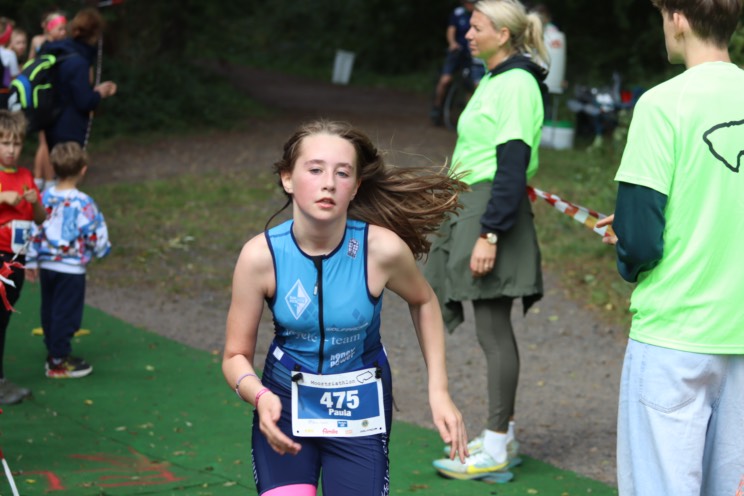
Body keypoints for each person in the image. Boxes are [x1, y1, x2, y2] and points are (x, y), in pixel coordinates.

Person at [222, 119, 470, 495]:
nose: (329, 183)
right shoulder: (261, 256)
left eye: (342, 173)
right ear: (288, 179)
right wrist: (261, 396)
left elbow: (424, 300)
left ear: (355, 187)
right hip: (284, 400)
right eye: (315, 169)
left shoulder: (381, 250)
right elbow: (234, 356)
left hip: (359, 404)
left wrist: (439, 391)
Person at [595, 0, 744, 494]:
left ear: (678, 19)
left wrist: (627, 242)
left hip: (674, 338)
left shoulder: (661, 104)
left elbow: (640, 242)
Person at [425, 0, 548, 481]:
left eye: (476, 27)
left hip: (489, 209)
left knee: (493, 331)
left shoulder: (516, 83)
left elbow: (512, 162)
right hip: (474, 204)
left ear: (503, 33)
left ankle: (496, 445)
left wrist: (490, 232)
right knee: (489, 329)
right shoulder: (495, 80)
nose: (468, 35)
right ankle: (504, 435)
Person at [25, 141, 110, 379]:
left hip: (47, 265)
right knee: (67, 313)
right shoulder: (84, 203)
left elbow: (33, 227)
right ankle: (58, 361)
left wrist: (30, 260)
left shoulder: (43, 197)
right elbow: (95, 232)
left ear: (53, 168)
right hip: (71, 269)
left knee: (50, 309)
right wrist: (101, 250)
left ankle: (53, 349)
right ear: (83, 169)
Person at [0, 110, 46, 404]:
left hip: (17, 258)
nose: (11, 150)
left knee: (3, 319)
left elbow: (40, 218)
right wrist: (3, 198)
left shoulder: (26, 176)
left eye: (16, 144)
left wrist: (35, 202)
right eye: (5, 143)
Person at [42, 8, 116, 152]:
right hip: (69, 129)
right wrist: (99, 93)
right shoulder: (78, 62)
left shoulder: (58, 52)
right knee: (70, 166)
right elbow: (84, 101)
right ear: (95, 35)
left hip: (51, 125)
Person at [27, 10, 69, 191]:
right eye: (60, 29)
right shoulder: (43, 43)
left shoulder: (51, 44)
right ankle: (46, 179)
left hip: (48, 97)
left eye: (65, 29)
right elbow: (30, 65)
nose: (64, 32)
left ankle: (41, 178)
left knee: (44, 141)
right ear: (49, 28)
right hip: (43, 98)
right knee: (46, 141)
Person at [430, 0, 486, 126]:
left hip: (472, 55)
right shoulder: (458, 13)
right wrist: (452, 43)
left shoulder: (480, 14)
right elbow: (451, 30)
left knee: (471, 84)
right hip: (457, 52)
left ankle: (470, 114)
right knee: (445, 80)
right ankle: (437, 106)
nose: (470, 5)